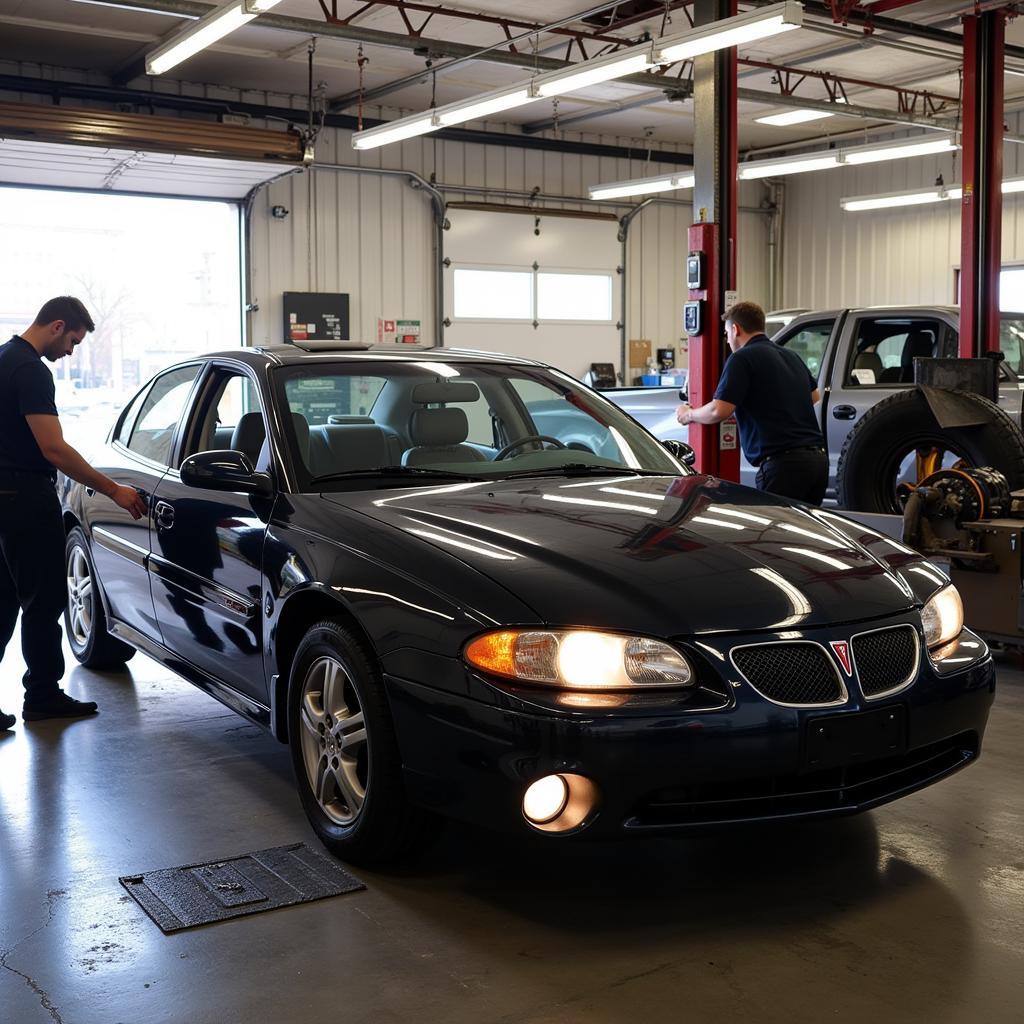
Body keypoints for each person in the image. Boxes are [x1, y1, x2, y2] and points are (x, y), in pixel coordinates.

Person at [0, 297, 146, 731]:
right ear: (57, 325)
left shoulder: (3, 358)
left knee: (3, 603)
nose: (71, 351)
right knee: (43, 602)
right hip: (24, 496)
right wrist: (112, 489)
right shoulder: (30, 370)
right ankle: (42, 696)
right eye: (73, 341)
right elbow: (54, 447)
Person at [676, 300, 827, 505]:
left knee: (774, 533)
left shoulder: (742, 358)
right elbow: (813, 396)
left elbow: (719, 410)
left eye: (726, 333)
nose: (728, 340)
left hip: (784, 468)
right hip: (817, 463)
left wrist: (688, 414)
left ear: (736, 329)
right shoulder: (790, 355)